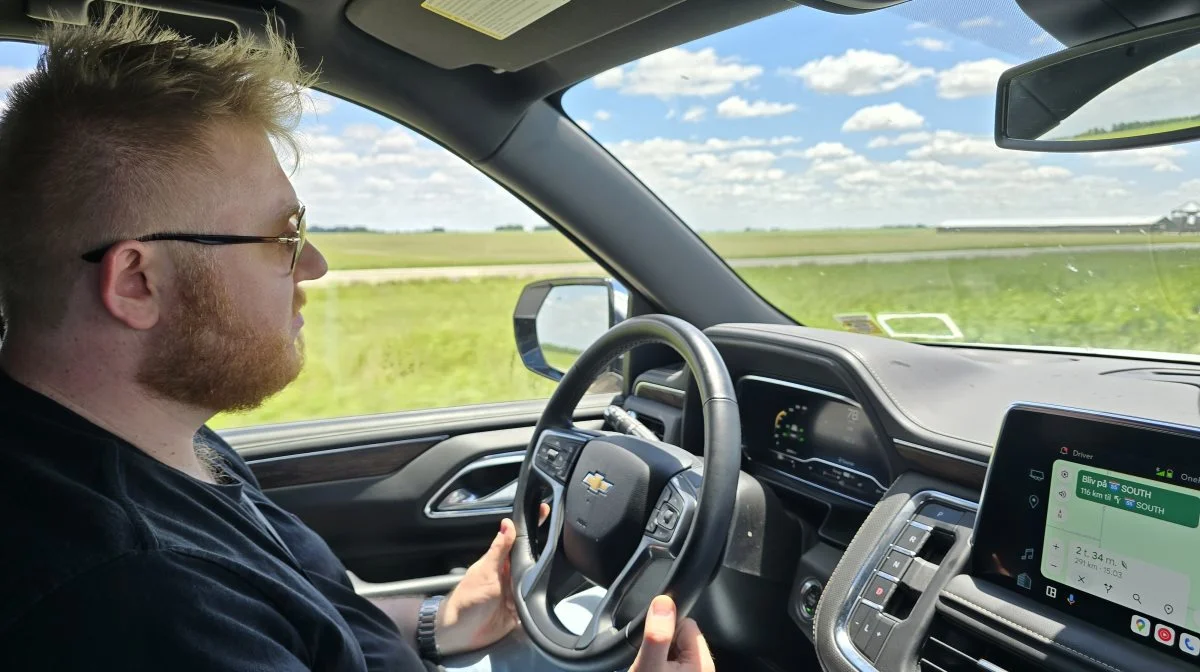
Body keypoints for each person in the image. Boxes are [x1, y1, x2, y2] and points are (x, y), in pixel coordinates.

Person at [0, 8, 716, 672]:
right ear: (137, 283)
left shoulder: (155, 438)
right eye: (284, 236)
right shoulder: (141, 600)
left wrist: (443, 621)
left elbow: (304, 621)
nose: (313, 265)